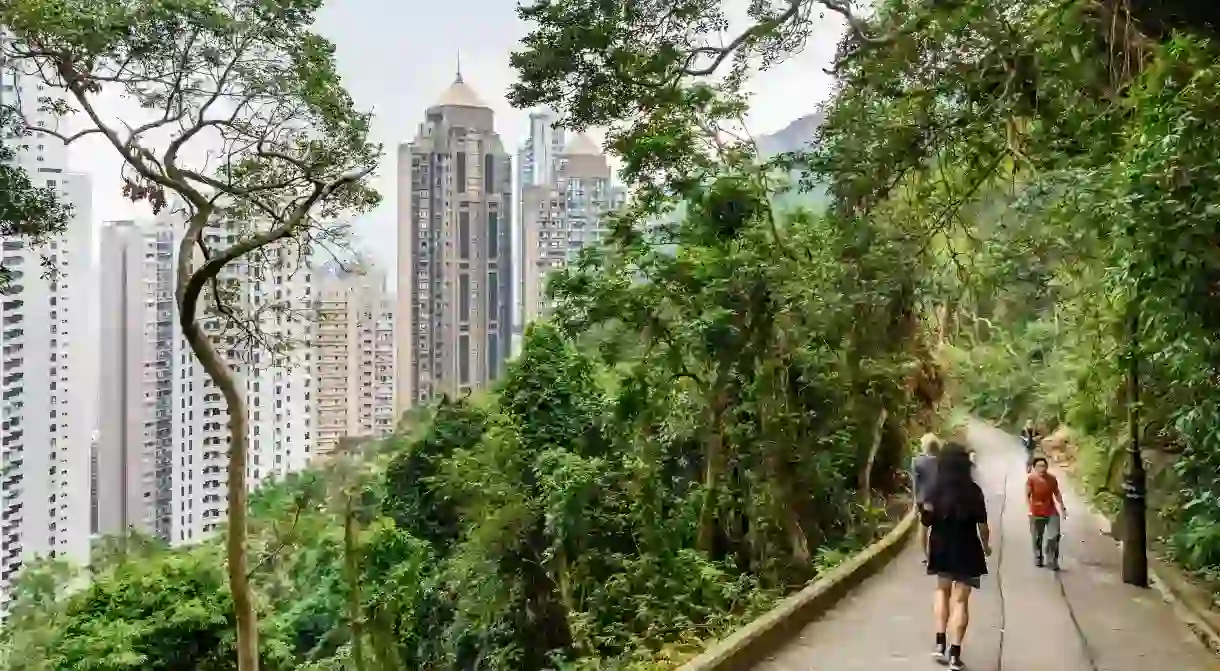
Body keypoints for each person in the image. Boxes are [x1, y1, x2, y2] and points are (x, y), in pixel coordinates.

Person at [923, 442, 990, 670]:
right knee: (961, 600)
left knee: (942, 591)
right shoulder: (974, 491)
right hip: (967, 548)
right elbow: (983, 526)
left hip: (941, 546)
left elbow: (925, 520)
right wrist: (987, 546)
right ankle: (955, 653)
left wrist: (924, 546)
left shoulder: (934, 489)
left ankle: (939, 643)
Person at [1027, 456, 1068, 570]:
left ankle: (1051, 560)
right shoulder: (1031, 479)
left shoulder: (1052, 479)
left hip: (1051, 511)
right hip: (1036, 512)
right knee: (1037, 537)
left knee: (1054, 535)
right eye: (1039, 466)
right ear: (1034, 468)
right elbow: (1027, 495)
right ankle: (1038, 556)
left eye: (1044, 466)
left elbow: (1057, 493)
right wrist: (1029, 509)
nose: (1042, 469)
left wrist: (1063, 508)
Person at [911, 433, 941, 563]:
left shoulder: (917, 461)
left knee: (923, 527)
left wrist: (915, 503)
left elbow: (916, 484)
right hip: (942, 500)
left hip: (926, 500)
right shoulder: (944, 461)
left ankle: (926, 556)